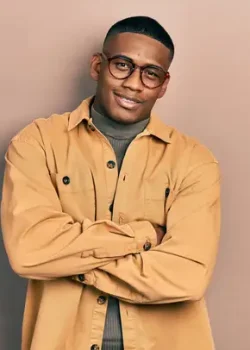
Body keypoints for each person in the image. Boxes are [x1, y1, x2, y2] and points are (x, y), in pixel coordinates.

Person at [1, 15, 221, 350]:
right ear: (97, 66)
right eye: (122, 65)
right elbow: (29, 250)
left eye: (151, 73)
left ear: (163, 85)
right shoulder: (37, 144)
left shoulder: (195, 161)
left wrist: (68, 262)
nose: (134, 83)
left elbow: (187, 277)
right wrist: (143, 236)